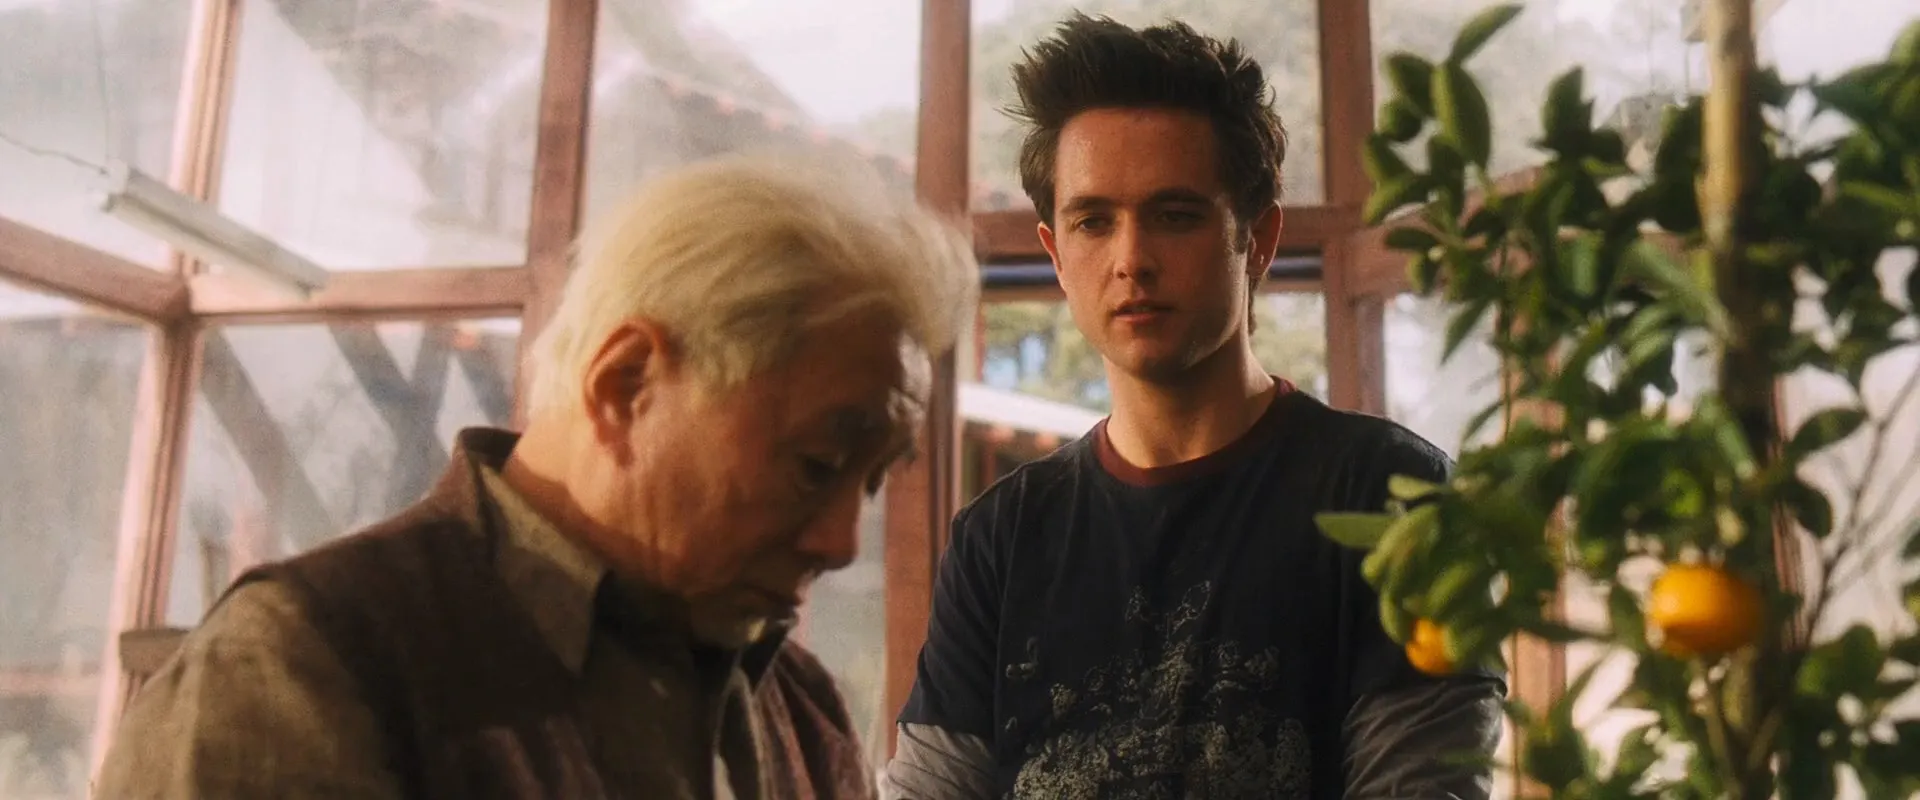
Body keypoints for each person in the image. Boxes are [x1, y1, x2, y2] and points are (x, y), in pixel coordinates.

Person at [96, 153, 979, 799]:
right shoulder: (302, 670)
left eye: (873, 481)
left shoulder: (796, 705)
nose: (841, 542)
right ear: (625, 383)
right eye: (816, 465)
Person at [883, 13, 1505, 800]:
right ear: (1057, 255)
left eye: (1175, 216)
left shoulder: (1391, 495)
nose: (1132, 259)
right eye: (1093, 221)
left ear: (1259, 239)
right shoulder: (1000, 540)